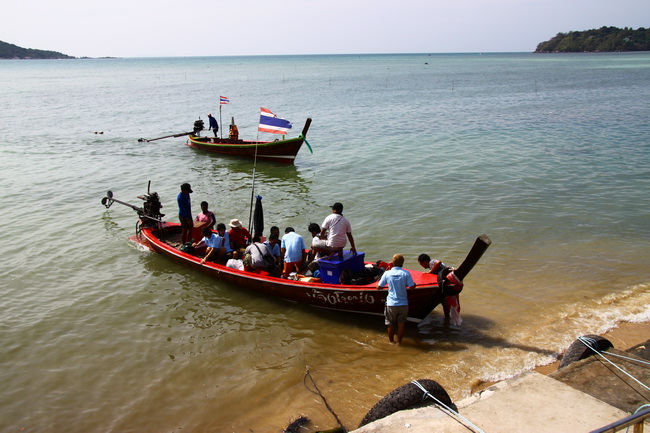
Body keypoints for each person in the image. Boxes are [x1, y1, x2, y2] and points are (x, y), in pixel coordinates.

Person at [377, 254, 416, 344]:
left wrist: (376, 284)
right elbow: (412, 287)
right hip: (403, 303)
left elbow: (379, 287)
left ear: (392, 263)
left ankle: (391, 342)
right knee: (401, 324)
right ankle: (399, 343)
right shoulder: (406, 273)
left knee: (390, 324)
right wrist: (414, 284)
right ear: (402, 263)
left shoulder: (387, 273)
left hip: (391, 304)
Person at [418, 253, 450, 323]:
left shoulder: (431, 262)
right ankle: (447, 318)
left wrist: (430, 272)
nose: (421, 266)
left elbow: (439, 262)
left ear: (425, 262)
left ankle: (447, 318)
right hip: (444, 283)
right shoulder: (431, 266)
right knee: (444, 302)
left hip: (447, 281)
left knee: (444, 301)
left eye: (421, 264)